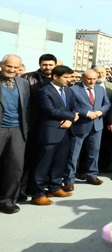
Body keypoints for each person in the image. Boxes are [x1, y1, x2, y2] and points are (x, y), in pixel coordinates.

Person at [30, 65, 79, 206]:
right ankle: (38, 194)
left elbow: (75, 107)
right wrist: (71, 116)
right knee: (43, 164)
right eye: (66, 77)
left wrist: (70, 119)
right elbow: (49, 110)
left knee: (60, 161)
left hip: (66, 131)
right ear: (55, 77)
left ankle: (55, 187)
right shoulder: (44, 92)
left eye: (70, 77)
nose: (69, 80)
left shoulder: (68, 91)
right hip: (50, 132)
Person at [64, 70, 111, 192]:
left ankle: (92, 175)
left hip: (97, 126)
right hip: (80, 125)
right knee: (74, 154)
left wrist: (101, 111)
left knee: (94, 152)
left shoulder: (100, 89)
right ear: (83, 78)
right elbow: (72, 106)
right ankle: (69, 180)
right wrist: (88, 113)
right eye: (89, 79)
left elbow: (107, 104)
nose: (92, 81)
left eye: (94, 79)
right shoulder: (73, 89)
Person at [20, 53, 57, 201]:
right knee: (28, 159)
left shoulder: (58, 79)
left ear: (55, 65)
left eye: (50, 65)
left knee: (44, 160)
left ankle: (38, 187)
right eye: (44, 64)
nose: (47, 67)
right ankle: (21, 190)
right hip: (33, 125)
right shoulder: (27, 78)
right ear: (40, 64)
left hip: (51, 126)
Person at [0, 55, 30, 214]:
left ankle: (7, 201)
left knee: (15, 167)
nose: (11, 70)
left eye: (15, 68)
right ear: (1, 65)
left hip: (17, 130)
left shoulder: (23, 83)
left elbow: (27, 108)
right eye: (8, 66)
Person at [93, 65, 112, 173]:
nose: (101, 75)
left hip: (107, 119)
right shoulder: (88, 85)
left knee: (107, 144)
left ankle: (104, 166)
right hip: (93, 118)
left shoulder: (111, 86)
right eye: (98, 72)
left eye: (103, 72)